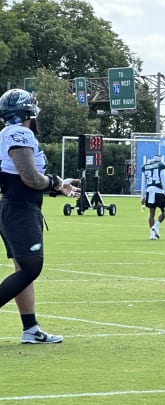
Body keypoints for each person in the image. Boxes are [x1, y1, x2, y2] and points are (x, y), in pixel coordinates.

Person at [0, 88, 80, 344]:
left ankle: (30, 329)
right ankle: (30, 329)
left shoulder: (7, 133)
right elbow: (30, 177)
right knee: (32, 268)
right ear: (27, 111)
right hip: (20, 208)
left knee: (23, 268)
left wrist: (56, 187)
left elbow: (25, 179)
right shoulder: (19, 133)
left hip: (15, 205)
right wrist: (55, 183)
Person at [140, 154, 165, 240]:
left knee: (151, 214)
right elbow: (163, 180)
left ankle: (152, 234)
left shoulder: (145, 166)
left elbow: (143, 183)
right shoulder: (161, 165)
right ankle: (155, 227)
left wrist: (142, 196)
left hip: (149, 192)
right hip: (159, 191)